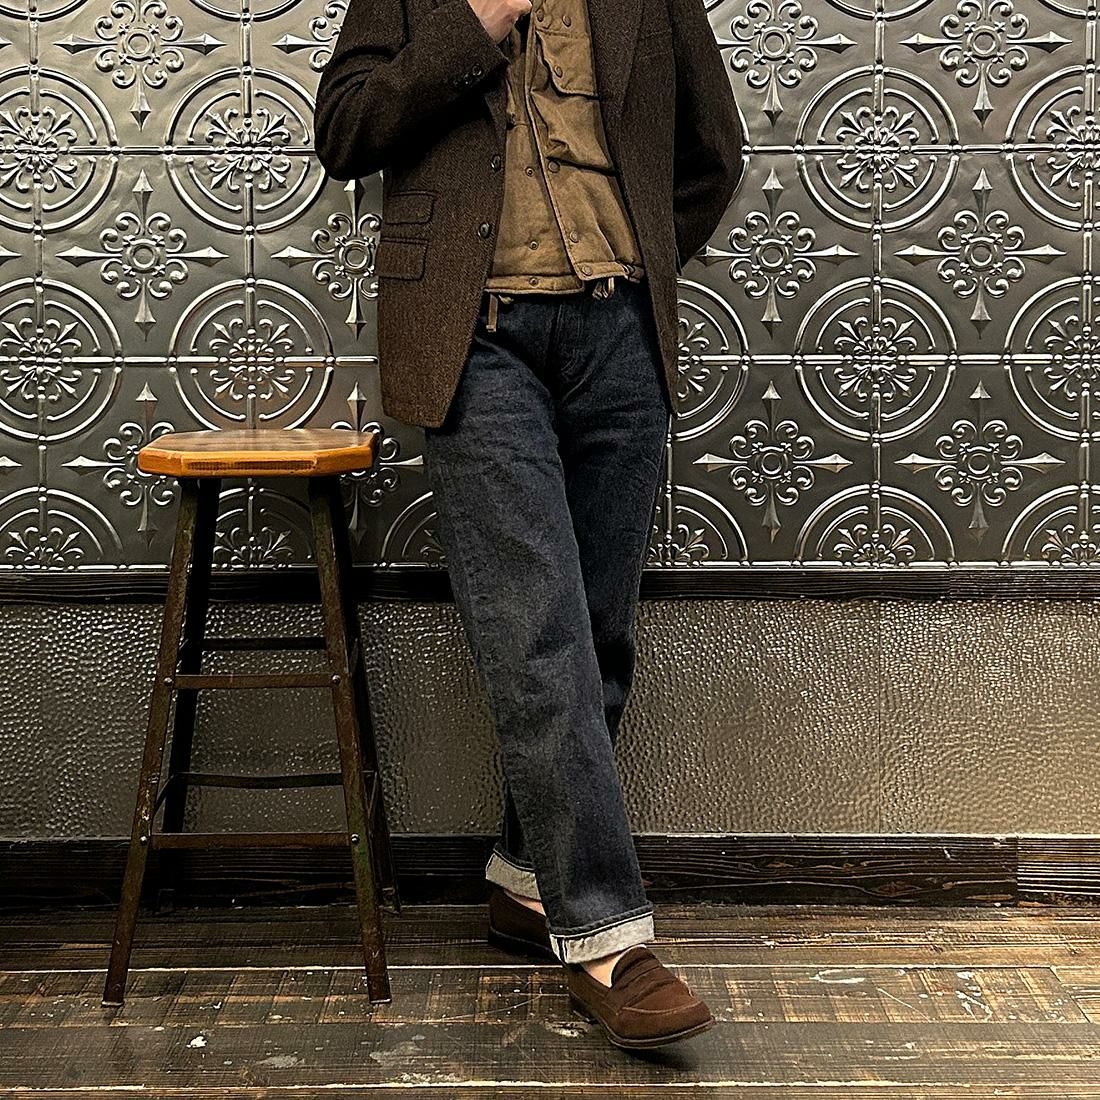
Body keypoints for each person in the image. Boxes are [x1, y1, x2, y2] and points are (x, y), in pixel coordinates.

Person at [314, 0, 744, 1050]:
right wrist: (474, 25)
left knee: (597, 637)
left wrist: (644, 259)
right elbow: (345, 130)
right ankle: (607, 937)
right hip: (478, 338)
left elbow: (712, 152)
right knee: (536, 638)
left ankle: (521, 880)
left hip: (620, 331)